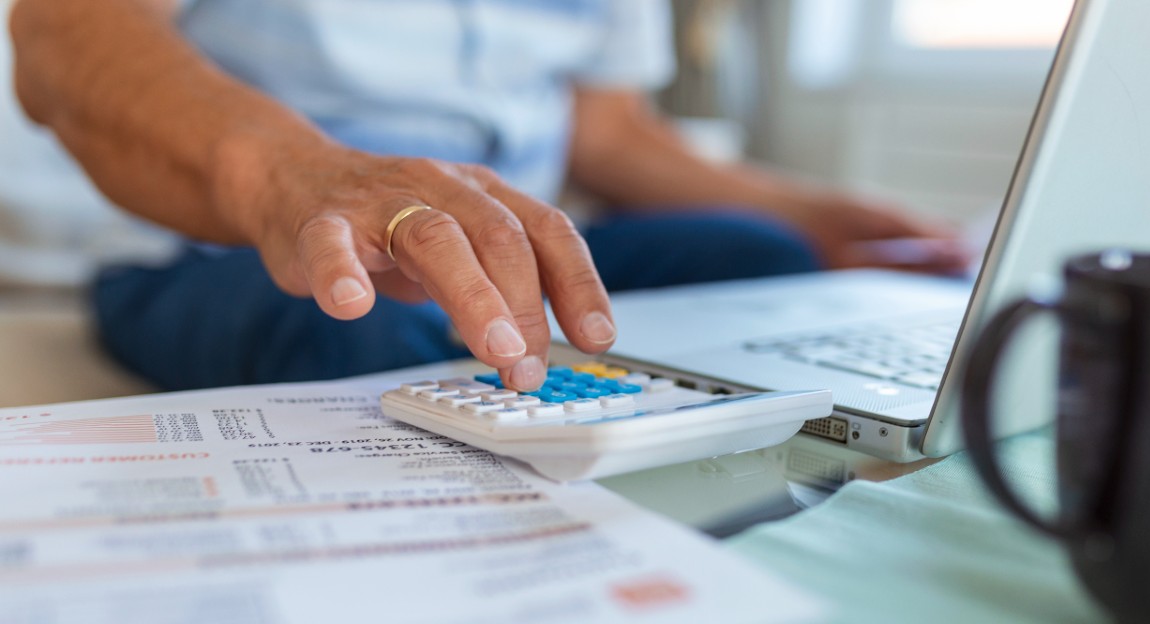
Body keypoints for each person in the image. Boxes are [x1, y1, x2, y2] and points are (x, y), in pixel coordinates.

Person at [9, 0, 965, 394]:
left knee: (764, 256)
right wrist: (295, 177)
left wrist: (820, 216)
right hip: (227, 251)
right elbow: (64, 41)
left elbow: (611, 134)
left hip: (503, 243)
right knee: (354, 320)